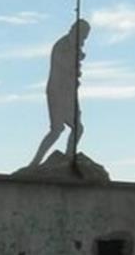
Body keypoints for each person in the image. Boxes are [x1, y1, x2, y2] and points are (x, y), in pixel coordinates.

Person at [29, 19, 90, 166]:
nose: (84, 39)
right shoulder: (62, 45)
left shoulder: (74, 47)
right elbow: (64, 67)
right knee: (56, 129)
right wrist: (76, 60)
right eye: (83, 35)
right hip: (58, 92)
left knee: (78, 128)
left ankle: (69, 156)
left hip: (69, 92)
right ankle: (36, 162)